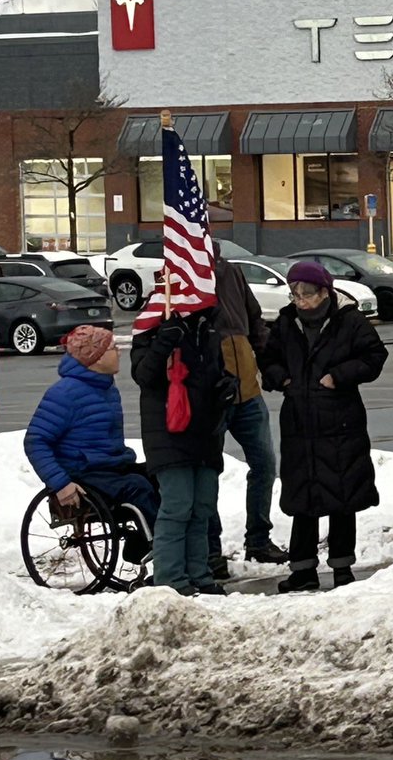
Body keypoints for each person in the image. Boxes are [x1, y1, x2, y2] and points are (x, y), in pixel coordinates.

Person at [259, 261, 388, 593]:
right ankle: (303, 569)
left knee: (342, 492)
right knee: (303, 494)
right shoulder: (287, 322)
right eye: (295, 294)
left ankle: (342, 566)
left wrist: (338, 376)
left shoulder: (349, 320)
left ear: (325, 292)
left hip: (340, 419)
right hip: (299, 421)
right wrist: (282, 379)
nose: (301, 301)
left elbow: (374, 356)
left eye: (307, 294)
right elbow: (268, 359)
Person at [132, 300, 236, 596]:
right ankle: (170, 578)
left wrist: (226, 386)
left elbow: (213, 371)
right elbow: (145, 376)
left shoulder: (208, 328)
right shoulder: (152, 327)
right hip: (168, 433)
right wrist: (165, 339)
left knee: (202, 507)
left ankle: (198, 574)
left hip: (205, 432)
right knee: (177, 506)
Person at [24, 326, 159, 530]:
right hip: (83, 472)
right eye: (113, 348)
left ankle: (152, 540)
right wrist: (61, 483)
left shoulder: (107, 388)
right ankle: (161, 542)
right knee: (137, 488)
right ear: (96, 357)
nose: (119, 352)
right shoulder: (64, 393)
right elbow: (35, 441)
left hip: (111, 467)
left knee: (161, 475)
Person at [206, 245, 286, 580]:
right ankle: (210, 550)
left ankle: (259, 539)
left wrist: (268, 364)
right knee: (207, 473)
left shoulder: (231, 272)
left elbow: (254, 322)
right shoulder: (182, 274)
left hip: (247, 389)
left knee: (265, 464)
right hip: (210, 395)